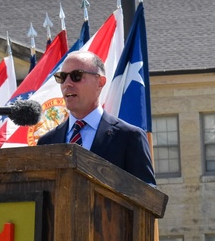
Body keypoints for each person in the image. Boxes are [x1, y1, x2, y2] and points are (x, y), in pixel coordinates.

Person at [37, 50, 156, 185]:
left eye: (76, 76)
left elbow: (147, 197)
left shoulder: (129, 137)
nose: (67, 84)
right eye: (62, 77)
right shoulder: (46, 142)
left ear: (100, 82)